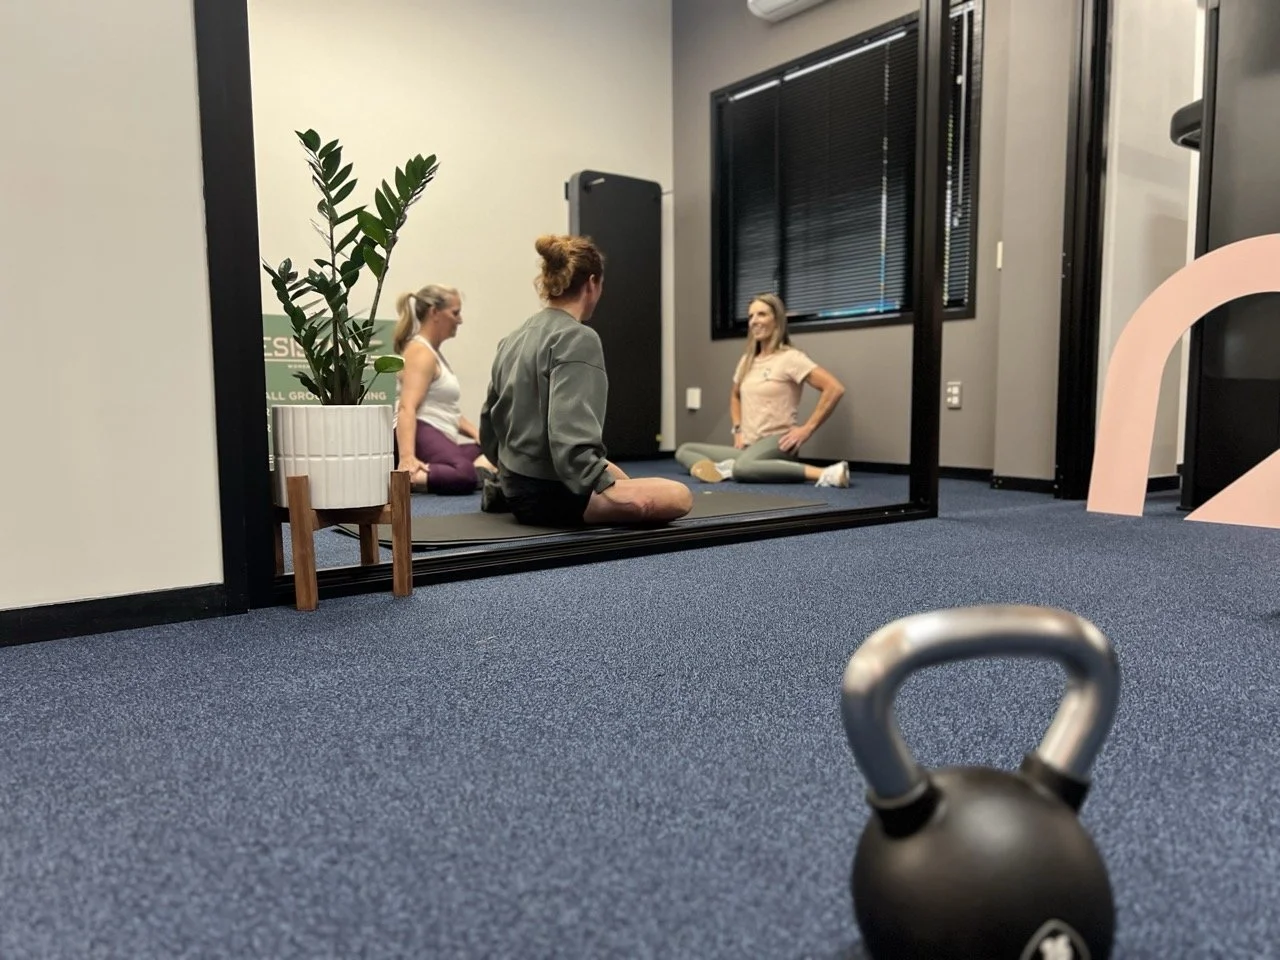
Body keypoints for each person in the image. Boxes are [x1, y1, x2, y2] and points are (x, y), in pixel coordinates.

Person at [478, 234, 693, 528]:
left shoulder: (512, 339)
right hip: (552, 494)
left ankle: (504, 493)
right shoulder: (578, 337)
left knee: (619, 474)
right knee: (679, 496)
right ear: (592, 283)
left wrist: (508, 471)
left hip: (514, 482)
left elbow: (489, 423)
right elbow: (570, 437)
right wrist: (607, 487)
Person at [675, 293, 850, 487]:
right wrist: (738, 430)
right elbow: (735, 395)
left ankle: (826, 473)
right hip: (749, 447)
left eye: (761, 314)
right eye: (751, 316)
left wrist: (806, 430)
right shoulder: (747, 361)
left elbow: (834, 388)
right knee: (685, 450)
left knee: (743, 467)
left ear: (777, 320)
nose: (754, 321)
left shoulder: (791, 358)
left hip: (778, 443)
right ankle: (728, 468)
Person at [391, 284, 497, 494]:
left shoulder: (433, 353)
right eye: (455, 313)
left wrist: (481, 436)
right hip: (420, 430)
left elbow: (448, 410)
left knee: (494, 453)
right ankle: (409, 477)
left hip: (438, 432)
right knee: (464, 473)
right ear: (434, 313)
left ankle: (473, 473)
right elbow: (406, 407)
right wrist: (406, 458)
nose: (460, 320)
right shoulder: (421, 353)